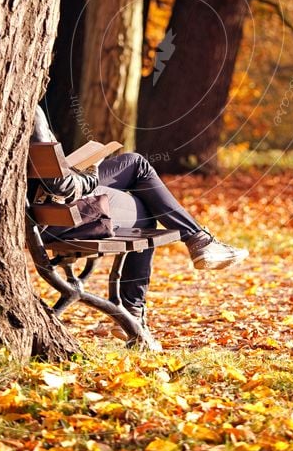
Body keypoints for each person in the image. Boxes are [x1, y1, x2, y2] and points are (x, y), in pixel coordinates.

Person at [31, 106, 248, 348]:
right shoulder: (30, 111)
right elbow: (60, 186)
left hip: (39, 211)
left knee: (135, 163)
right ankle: (133, 312)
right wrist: (91, 173)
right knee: (145, 211)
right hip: (54, 214)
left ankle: (198, 240)